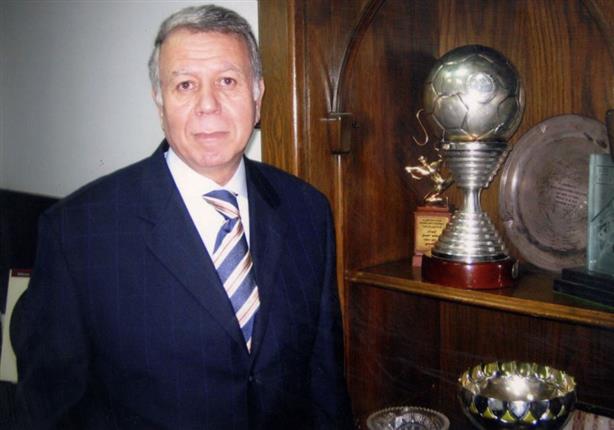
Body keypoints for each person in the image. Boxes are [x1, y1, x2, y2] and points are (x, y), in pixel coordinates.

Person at [10, 4, 353, 429]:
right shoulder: (77, 232)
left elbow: (324, 381)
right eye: (185, 84)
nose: (208, 104)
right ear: (160, 103)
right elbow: (47, 411)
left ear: (258, 96)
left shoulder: (308, 210)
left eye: (228, 81)